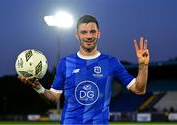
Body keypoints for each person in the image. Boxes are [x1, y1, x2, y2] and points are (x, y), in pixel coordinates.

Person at [19, 15, 149, 124]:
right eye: (84, 32)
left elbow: (139, 89)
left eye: (92, 32)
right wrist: (38, 87)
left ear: (99, 34)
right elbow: (54, 98)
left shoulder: (111, 63)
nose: (88, 36)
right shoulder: (65, 63)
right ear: (77, 35)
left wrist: (143, 66)